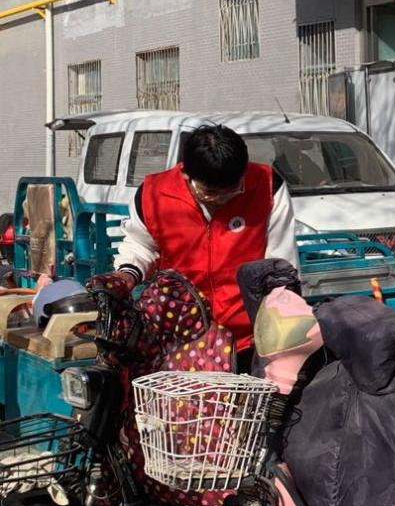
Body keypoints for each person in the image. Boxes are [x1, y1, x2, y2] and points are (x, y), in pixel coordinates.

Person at [105, 124, 298, 357]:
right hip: (179, 336)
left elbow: (280, 264)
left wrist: (281, 330)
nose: (221, 200)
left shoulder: (268, 186)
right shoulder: (154, 194)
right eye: (210, 193)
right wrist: (127, 273)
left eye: (232, 191)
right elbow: (140, 245)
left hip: (250, 337)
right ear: (186, 175)